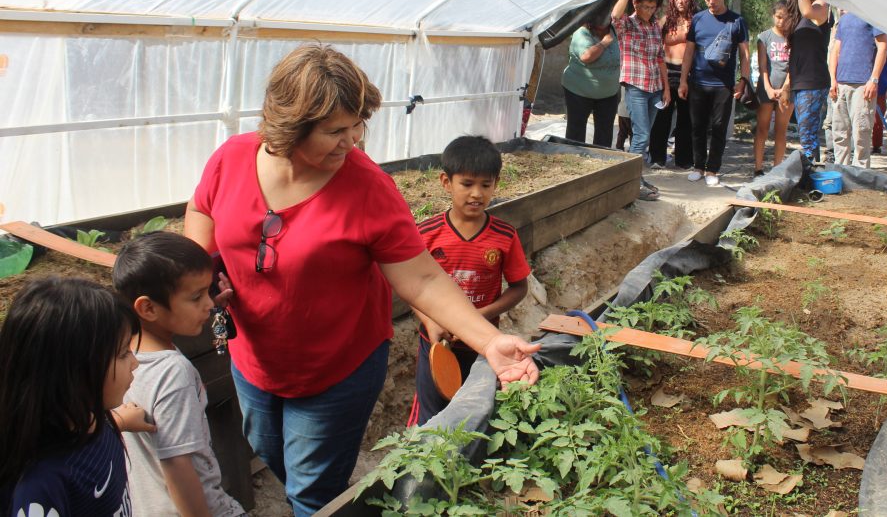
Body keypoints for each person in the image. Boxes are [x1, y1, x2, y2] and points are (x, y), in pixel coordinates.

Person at [183, 43, 540, 516]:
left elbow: (422, 277)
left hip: (336, 369)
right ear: (290, 127)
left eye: (356, 127)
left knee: (312, 493)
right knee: (274, 456)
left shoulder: (367, 186)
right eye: (334, 131)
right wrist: (204, 268)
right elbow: (201, 208)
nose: (351, 142)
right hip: (254, 361)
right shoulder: (231, 158)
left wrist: (489, 341)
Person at [113, 231, 247, 517]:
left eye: (208, 291)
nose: (209, 304)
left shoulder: (122, 356)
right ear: (148, 308)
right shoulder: (174, 373)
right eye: (197, 296)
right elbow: (178, 466)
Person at [408, 136, 531, 427]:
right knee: (430, 417)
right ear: (446, 182)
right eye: (467, 184)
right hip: (435, 345)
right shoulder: (426, 234)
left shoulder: (504, 236)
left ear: (495, 184)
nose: (476, 193)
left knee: (476, 416)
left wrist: (476, 318)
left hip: (482, 347)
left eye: (485, 185)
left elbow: (519, 287)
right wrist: (430, 321)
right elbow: (412, 288)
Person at [0, 277, 141, 517]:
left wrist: (121, 420)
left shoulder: (93, 419)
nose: (135, 363)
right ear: (71, 371)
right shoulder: (39, 487)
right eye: (122, 353)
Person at [678, 0, 751, 186]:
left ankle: (712, 169)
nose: (711, 1)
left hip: (724, 85)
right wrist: (683, 80)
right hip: (698, 82)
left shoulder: (737, 21)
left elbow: (745, 54)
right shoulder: (698, 19)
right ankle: (698, 166)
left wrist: (743, 80)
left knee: (719, 127)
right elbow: (689, 52)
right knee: (697, 126)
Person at [611, 0, 669, 200]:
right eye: (644, 6)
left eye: (652, 7)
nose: (648, 10)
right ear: (635, 4)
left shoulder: (654, 26)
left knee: (643, 135)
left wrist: (666, 89)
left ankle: (635, 177)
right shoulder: (627, 25)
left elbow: (660, 57)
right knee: (641, 134)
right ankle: (631, 182)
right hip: (636, 86)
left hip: (655, 88)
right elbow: (615, 15)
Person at [828, 11, 887, 168]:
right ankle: (840, 171)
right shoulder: (844, 19)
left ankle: (860, 174)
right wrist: (833, 79)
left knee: (861, 133)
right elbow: (835, 50)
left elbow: (883, 47)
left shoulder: (873, 15)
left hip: (863, 84)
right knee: (839, 132)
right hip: (841, 83)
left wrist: (873, 79)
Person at [649, 0, 697, 169]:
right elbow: (654, 38)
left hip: (688, 74)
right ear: (672, 0)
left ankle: (684, 160)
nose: (680, 1)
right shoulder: (666, 20)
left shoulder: (696, 19)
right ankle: (657, 157)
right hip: (666, 73)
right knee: (662, 118)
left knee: (686, 119)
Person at [752, 0, 799, 176]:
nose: (782, 21)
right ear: (773, 16)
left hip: (787, 90)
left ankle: (777, 169)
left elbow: (793, 66)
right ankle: (758, 168)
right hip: (766, 89)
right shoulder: (764, 37)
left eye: (786, 18)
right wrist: (769, 88)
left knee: (781, 130)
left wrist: (786, 87)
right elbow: (763, 66)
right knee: (762, 128)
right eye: (778, 17)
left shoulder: (794, 38)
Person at [786, 0, 834, 163]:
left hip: (814, 81)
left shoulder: (822, 9)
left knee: (807, 134)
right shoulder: (800, 19)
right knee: (806, 133)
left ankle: (812, 173)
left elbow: (806, 10)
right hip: (800, 82)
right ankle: (812, 172)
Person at [561, 14, 621, 147]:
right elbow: (586, 56)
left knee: (605, 131)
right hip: (579, 91)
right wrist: (604, 43)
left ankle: (600, 161)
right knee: (576, 131)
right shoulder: (581, 33)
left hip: (608, 92)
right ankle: (574, 159)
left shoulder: (614, 31)